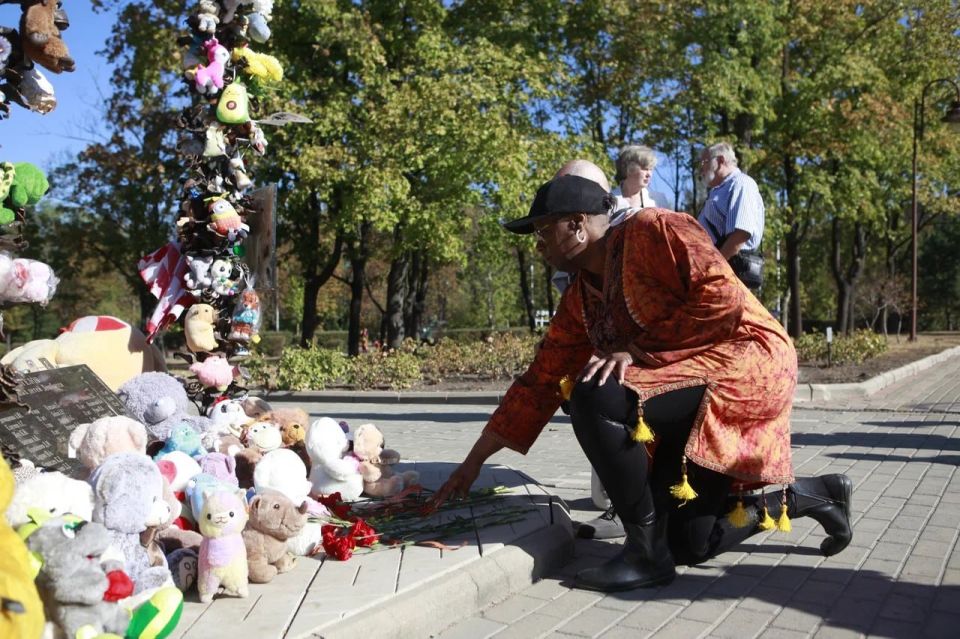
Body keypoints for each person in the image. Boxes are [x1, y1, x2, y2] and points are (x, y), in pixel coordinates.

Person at [433, 174, 852, 592]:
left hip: (745, 363)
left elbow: (723, 299)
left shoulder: (656, 230)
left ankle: (644, 553)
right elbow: (538, 381)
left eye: (544, 231)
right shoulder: (580, 297)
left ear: (578, 224)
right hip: (685, 384)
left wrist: (635, 349)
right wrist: (474, 461)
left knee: (594, 393)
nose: (538, 245)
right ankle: (814, 495)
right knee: (690, 544)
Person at [697, 142, 765, 290]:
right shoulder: (719, 190)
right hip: (719, 272)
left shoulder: (741, 183)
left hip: (728, 274)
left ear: (721, 161)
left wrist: (713, 267)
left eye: (704, 162)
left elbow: (741, 234)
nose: (701, 168)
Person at [615, 144, 671, 211]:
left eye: (651, 169)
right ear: (629, 168)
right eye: (645, 169)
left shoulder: (659, 200)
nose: (649, 174)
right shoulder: (608, 200)